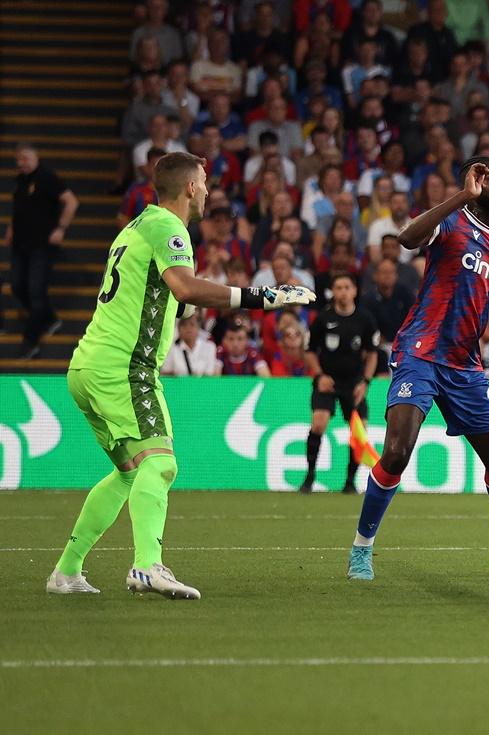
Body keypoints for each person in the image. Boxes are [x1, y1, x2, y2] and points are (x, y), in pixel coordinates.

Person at [47, 151, 313, 599]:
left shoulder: (135, 227)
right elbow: (186, 287)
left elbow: (171, 299)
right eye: (205, 181)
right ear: (190, 187)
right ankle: (147, 566)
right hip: (123, 369)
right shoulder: (170, 228)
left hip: (87, 366)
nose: (208, 189)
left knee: (133, 474)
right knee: (162, 463)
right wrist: (262, 296)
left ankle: (66, 571)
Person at [346, 157, 489, 581]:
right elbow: (407, 238)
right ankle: (361, 549)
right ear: (476, 183)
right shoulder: (451, 222)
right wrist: (462, 196)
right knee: (396, 450)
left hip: (465, 365)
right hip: (420, 352)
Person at [301, 273, 379, 493]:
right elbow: (309, 351)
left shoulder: (365, 319)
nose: (343, 292)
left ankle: (350, 481)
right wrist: (319, 376)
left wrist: (365, 382)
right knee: (319, 423)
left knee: (359, 430)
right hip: (328, 380)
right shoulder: (323, 319)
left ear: (354, 291)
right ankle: (309, 477)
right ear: (332, 291)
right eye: (338, 287)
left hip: (353, 383)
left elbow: (372, 354)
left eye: (347, 287)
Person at [6, 144, 79, 358]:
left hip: (41, 245)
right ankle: (49, 318)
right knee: (17, 286)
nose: (21, 163)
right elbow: (20, 207)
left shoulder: (47, 177)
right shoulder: (21, 180)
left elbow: (71, 202)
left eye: (25, 158)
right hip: (21, 244)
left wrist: (61, 228)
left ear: (35, 157)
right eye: (18, 159)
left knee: (36, 291)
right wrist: (11, 228)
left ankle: (30, 341)